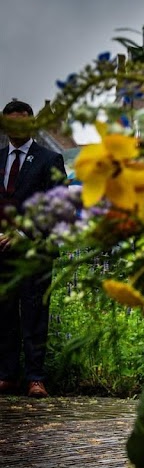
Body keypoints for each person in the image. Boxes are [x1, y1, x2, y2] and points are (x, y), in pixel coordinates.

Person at [0, 100, 67, 398]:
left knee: (34, 313)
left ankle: (35, 378)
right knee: (4, 314)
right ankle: (8, 375)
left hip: (35, 249)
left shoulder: (49, 159)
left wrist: (23, 232)